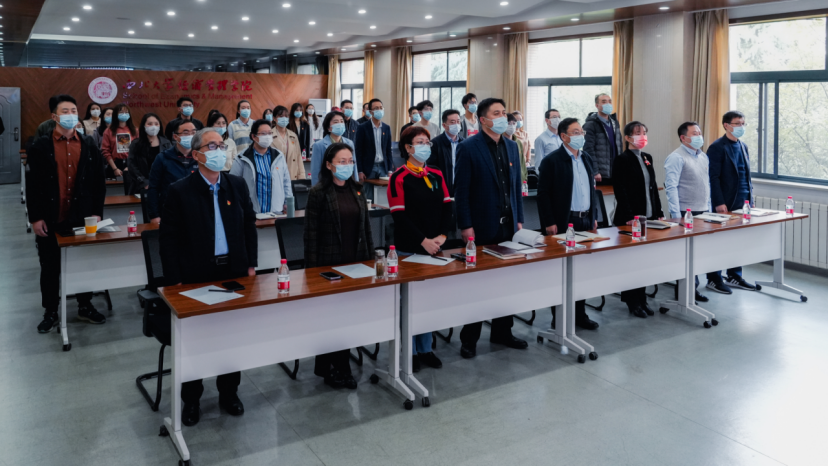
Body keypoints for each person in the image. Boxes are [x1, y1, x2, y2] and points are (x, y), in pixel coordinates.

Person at [160, 127, 256, 427]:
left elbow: (249, 226)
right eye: (211, 146)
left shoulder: (236, 184)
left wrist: (251, 265)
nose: (219, 150)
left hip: (233, 270)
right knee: (196, 338)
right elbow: (168, 239)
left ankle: (229, 392)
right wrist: (175, 279)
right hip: (195, 274)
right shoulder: (179, 190)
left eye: (221, 145)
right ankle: (191, 399)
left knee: (230, 335)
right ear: (197, 154)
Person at [454, 97, 528, 358]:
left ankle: (502, 332)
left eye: (504, 112)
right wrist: (466, 225)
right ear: (483, 119)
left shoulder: (512, 145)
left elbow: (516, 186)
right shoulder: (468, 147)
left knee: (506, 283)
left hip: (508, 226)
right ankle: (469, 338)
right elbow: (461, 191)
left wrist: (519, 218)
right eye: (496, 113)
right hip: (481, 226)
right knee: (478, 284)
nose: (503, 117)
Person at [27, 94, 107, 333]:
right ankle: (50, 310)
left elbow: (98, 182)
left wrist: (97, 212)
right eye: (65, 111)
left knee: (83, 263)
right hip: (51, 216)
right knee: (50, 266)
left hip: (82, 216)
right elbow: (33, 185)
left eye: (74, 110)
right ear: (54, 116)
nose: (71, 115)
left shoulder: (89, 144)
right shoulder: (41, 146)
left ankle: (85, 305)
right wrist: (35, 217)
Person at [304, 142, 372, 389]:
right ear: (329, 165)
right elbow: (310, 235)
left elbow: (366, 229)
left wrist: (371, 262)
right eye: (342, 161)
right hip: (329, 266)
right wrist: (312, 273)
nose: (347, 165)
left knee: (348, 318)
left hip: (356, 264)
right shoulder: (318, 193)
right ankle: (332, 368)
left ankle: (342, 365)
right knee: (330, 320)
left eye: (350, 161)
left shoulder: (357, 190)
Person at [388, 126, 452, 372]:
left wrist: (442, 236)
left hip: (435, 247)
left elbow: (447, 206)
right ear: (408, 148)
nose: (425, 146)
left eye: (427, 142)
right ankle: (410, 351)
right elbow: (399, 216)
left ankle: (426, 349)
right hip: (409, 248)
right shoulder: (399, 177)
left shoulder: (436, 174)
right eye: (420, 142)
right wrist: (423, 240)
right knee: (408, 302)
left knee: (428, 301)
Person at [536, 117, 600, 330]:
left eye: (581, 132)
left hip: (585, 220)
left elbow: (592, 190)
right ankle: (559, 318)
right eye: (575, 132)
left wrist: (594, 216)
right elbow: (543, 194)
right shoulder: (552, 160)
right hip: (564, 221)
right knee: (561, 273)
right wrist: (549, 221)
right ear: (563, 136)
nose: (580, 135)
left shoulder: (586, 158)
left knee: (581, 272)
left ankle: (580, 315)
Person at [611, 121, 664, 318]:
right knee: (631, 261)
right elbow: (620, 190)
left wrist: (658, 211)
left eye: (644, 132)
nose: (642, 135)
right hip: (631, 217)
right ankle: (632, 301)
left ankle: (642, 298)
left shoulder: (647, 157)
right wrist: (629, 216)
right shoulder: (622, 159)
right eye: (637, 132)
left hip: (648, 215)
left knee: (644, 261)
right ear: (627, 138)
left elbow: (653, 186)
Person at [706, 110, 758, 293]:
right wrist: (718, 201)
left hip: (743, 203)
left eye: (743, 123)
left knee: (738, 241)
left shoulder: (743, 146)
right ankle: (714, 278)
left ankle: (735, 276)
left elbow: (747, 176)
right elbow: (713, 177)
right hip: (725, 203)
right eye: (737, 124)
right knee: (719, 242)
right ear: (726, 125)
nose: (741, 127)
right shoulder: (717, 147)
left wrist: (750, 199)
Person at [664, 121, 712, 304]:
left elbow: (706, 184)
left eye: (699, 132)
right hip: (686, 212)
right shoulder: (676, 157)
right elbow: (671, 187)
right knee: (684, 254)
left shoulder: (703, 156)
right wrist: (676, 215)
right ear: (683, 137)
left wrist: (709, 208)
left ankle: (694, 288)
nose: (699, 136)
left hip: (703, 210)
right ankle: (683, 291)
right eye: (694, 133)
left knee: (697, 253)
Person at [230, 119, 292, 214]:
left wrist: (288, 202)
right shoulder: (242, 157)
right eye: (263, 133)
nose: (267, 136)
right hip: (252, 212)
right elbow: (233, 184)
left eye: (269, 133)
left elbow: (286, 181)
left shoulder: (278, 156)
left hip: (276, 211)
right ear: (253, 136)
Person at [147, 121, 199, 225]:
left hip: (196, 211)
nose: (190, 136)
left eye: (193, 132)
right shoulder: (163, 158)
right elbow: (153, 188)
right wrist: (154, 215)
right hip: (170, 211)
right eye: (186, 133)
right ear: (175, 136)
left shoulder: (200, 157)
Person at [127, 113, 172, 195]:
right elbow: (132, 165)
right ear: (144, 126)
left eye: (156, 124)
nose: (153, 126)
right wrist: (144, 182)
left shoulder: (166, 143)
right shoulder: (136, 144)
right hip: (141, 186)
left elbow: (171, 164)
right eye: (150, 124)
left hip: (163, 186)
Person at [310, 110, 357, 185]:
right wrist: (316, 189)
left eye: (342, 121)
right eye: (336, 122)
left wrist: (356, 184)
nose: (340, 124)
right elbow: (316, 171)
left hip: (347, 184)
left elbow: (354, 167)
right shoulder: (319, 145)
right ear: (328, 127)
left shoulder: (349, 143)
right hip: (327, 184)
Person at [583, 93, 621, 184]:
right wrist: (595, 171)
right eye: (604, 102)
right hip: (600, 174)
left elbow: (619, 145)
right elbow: (588, 149)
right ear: (597, 105)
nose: (608, 104)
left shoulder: (615, 122)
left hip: (615, 171)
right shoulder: (590, 124)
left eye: (609, 101)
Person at [101, 103, 138, 194]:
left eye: (126, 112)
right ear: (115, 114)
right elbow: (105, 151)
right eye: (121, 112)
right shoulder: (108, 131)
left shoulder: (135, 130)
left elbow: (138, 150)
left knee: (131, 192)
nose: (124, 114)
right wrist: (115, 169)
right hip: (115, 164)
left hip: (131, 163)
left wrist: (130, 166)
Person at [355, 98, 394, 181]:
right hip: (368, 167)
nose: (379, 110)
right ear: (370, 111)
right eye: (376, 108)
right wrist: (360, 171)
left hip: (383, 167)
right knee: (368, 189)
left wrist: (390, 170)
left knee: (383, 189)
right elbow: (358, 151)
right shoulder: (362, 127)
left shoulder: (386, 128)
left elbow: (388, 150)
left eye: (381, 108)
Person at [429, 109, 462, 197]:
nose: (456, 124)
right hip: (443, 188)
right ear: (444, 125)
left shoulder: (464, 143)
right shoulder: (435, 143)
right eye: (452, 122)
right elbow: (431, 168)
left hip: (461, 187)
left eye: (458, 121)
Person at [270, 105, 307, 180]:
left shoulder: (293, 136)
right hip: (275, 175)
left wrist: (302, 176)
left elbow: (298, 157)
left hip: (292, 175)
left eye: (286, 116)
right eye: (281, 116)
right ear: (274, 118)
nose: (284, 118)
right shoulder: (269, 135)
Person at [505, 113, 528, 183]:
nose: (511, 126)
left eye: (514, 123)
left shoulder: (518, 142)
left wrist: (525, 176)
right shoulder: (499, 142)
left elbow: (522, 161)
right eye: (509, 123)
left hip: (520, 179)